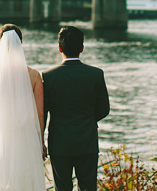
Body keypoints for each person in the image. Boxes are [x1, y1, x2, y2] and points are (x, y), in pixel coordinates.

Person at [0, 24, 46, 191]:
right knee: (24, 181)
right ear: (20, 43)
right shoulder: (34, 75)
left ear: (0, 43)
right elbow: (40, 113)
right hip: (25, 138)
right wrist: (41, 141)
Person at [42, 26, 110, 191]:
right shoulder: (96, 74)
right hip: (87, 141)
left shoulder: (48, 76)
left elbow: (42, 113)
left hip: (59, 143)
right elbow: (104, 109)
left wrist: (40, 140)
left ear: (59, 48)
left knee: (62, 188)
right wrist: (86, 119)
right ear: (82, 48)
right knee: (88, 188)